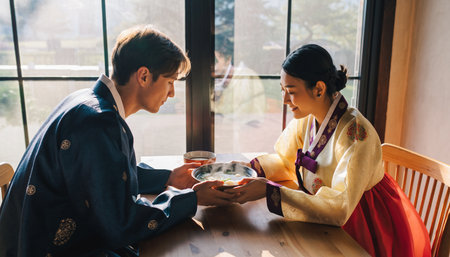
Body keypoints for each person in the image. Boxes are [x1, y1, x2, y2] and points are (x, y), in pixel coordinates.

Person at [0, 25, 233, 257]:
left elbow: (104, 176)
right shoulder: (98, 123)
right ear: (143, 76)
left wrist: (169, 177)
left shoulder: (86, 102)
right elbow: (121, 225)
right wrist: (191, 199)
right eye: (170, 81)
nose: (172, 93)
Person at [227, 44, 431, 257]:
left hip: (359, 221)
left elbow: (340, 206)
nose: (285, 100)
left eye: (291, 92)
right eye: (282, 90)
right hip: (323, 215)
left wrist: (269, 192)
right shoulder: (308, 117)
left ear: (319, 89)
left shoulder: (356, 134)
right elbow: (285, 161)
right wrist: (251, 170)